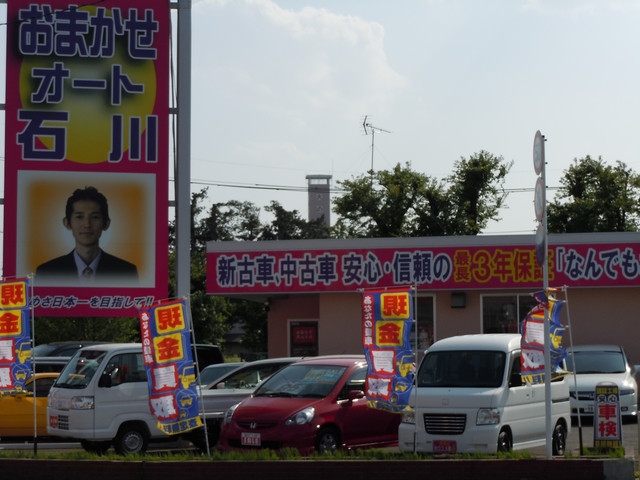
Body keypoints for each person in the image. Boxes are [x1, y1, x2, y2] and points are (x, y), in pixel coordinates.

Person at [35, 186, 138, 286]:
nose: (87, 224)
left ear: (106, 223)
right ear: (67, 223)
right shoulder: (46, 272)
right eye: (79, 217)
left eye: (95, 217)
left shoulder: (126, 272)